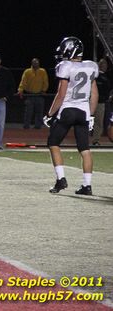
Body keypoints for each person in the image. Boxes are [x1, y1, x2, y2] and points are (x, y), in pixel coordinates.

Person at [45, 36, 98, 196]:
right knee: (85, 149)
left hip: (68, 110)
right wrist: (92, 115)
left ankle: (61, 179)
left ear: (69, 50)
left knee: (53, 143)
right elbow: (94, 94)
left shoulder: (65, 66)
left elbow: (61, 94)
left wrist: (49, 113)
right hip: (84, 112)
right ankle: (87, 185)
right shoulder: (91, 66)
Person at [18, 57, 49, 129]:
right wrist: (20, 90)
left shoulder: (42, 71)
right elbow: (23, 82)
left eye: (37, 62)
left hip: (39, 94)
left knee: (39, 112)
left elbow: (46, 82)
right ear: (31, 63)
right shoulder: (27, 71)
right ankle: (26, 126)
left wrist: (44, 90)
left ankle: (38, 126)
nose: (36, 64)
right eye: (34, 62)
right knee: (28, 112)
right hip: (30, 94)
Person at [91, 58, 110, 146]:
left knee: (98, 122)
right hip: (92, 102)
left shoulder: (106, 77)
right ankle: (86, 138)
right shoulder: (95, 76)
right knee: (87, 121)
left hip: (99, 102)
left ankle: (95, 140)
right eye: (102, 64)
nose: (104, 66)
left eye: (105, 64)